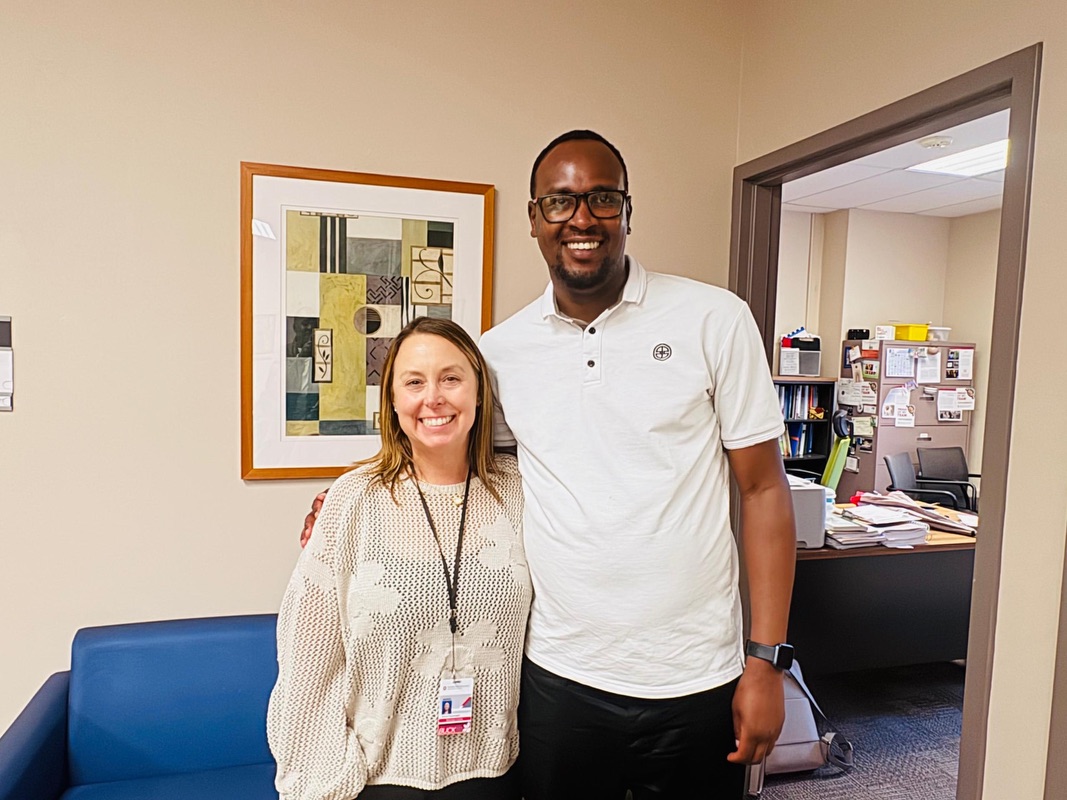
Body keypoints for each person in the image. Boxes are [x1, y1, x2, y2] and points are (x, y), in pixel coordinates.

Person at [302, 130, 796, 799]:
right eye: (560, 203)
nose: (582, 218)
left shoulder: (715, 320)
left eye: (601, 199)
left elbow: (763, 490)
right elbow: (462, 465)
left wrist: (765, 662)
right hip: (558, 681)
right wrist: (356, 500)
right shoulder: (501, 354)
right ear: (534, 219)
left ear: (626, 209)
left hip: (697, 677)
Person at [270, 317, 530, 800]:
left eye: (451, 378)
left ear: (479, 393)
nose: (434, 398)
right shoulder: (354, 501)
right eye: (414, 382)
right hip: (375, 779)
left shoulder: (520, 491)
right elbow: (308, 661)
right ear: (392, 401)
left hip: (497, 774)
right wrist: (321, 784)